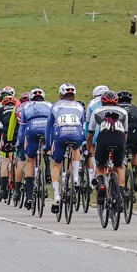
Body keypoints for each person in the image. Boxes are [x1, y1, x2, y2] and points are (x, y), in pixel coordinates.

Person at [45, 83, 86, 215]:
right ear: (74, 96)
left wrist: (47, 145)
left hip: (60, 134)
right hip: (76, 133)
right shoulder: (79, 106)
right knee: (76, 148)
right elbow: (83, 125)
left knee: (56, 164)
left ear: (60, 95)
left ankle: (56, 195)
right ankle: (75, 177)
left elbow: (49, 128)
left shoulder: (55, 106)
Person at [88, 90, 129, 206]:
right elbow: (125, 134)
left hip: (103, 138)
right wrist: (122, 148)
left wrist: (89, 148)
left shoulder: (96, 111)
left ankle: (101, 184)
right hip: (119, 138)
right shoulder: (123, 112)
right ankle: (120, 194)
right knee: (119, 166)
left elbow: (90, 134)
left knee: (100, 165)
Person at [13, 88, 52, 210]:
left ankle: (29, 196)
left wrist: (19, 142)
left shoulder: (26, 106)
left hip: (32, 129)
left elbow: (22, 129)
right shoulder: (50, 105)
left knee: (30, 160)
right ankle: (47, 173)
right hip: (46, 129)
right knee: (47, 149)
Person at [117, 90, 137, 184]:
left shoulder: (116, 108)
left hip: (121, 135)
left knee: (118, 155)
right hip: (135, 135)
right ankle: (134, 175)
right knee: (135, 152)